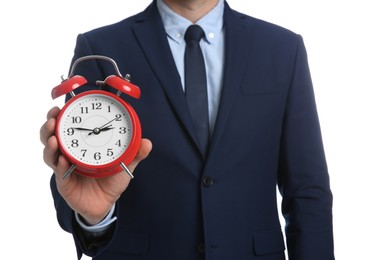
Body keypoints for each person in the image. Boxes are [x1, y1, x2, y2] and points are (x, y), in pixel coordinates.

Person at [40, 0, 335, 259]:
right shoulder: (101, 49)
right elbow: (76, 168)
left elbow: (307, 191)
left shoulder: (282, 48)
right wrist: (94, 217)